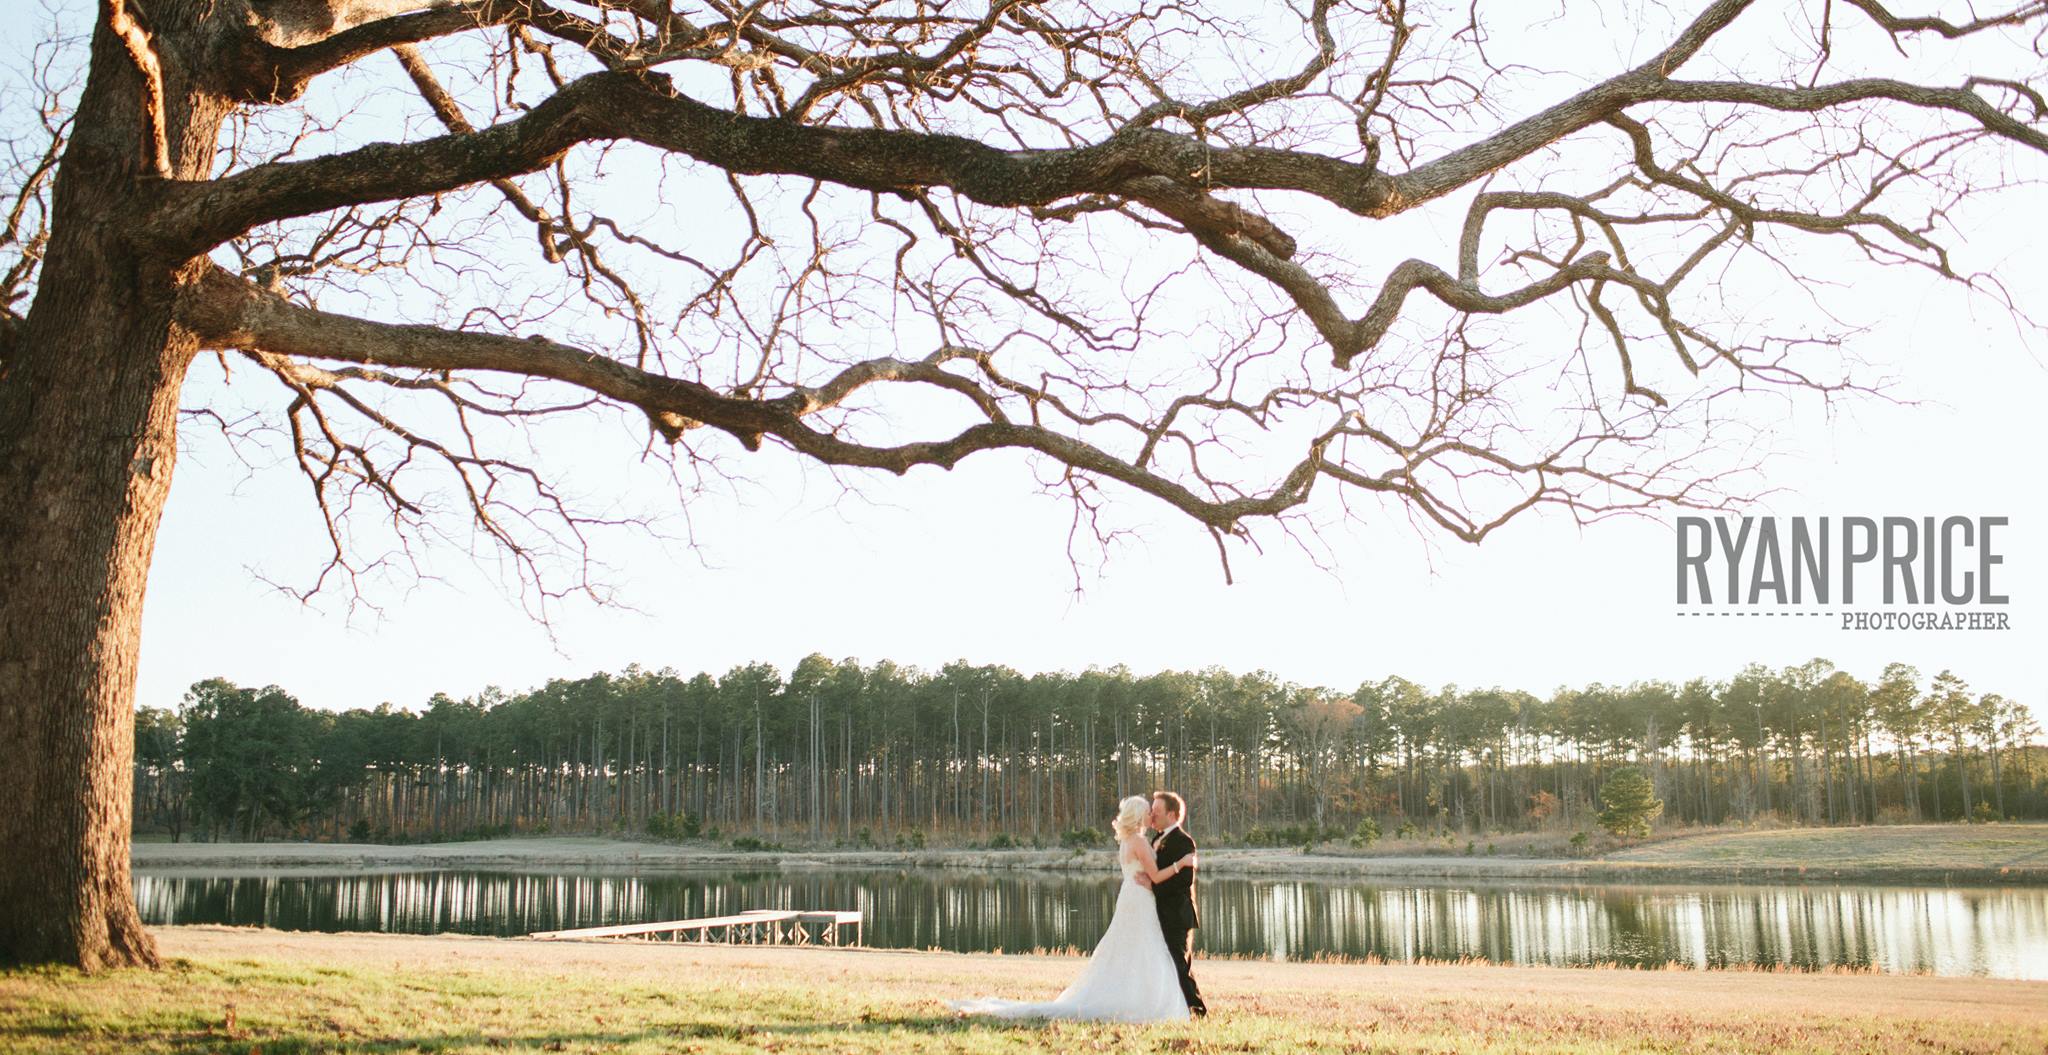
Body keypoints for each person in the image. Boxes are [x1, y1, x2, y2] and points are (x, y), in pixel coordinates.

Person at [946, 794, 1196, 1023]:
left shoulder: (1130, 841)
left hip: (1133, 897)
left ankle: (1146, 995)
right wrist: (1180, 864)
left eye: (1153, 811)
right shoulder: (1140, 842)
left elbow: (1146, 875)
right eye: (1147, 811)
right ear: (1138, 816)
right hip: (1139, 899)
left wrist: (1153, 880)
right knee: (1142, 948)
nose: (1151, 815)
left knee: (1134, 948)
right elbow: (1154, 874)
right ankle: (1149, 1000)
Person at [1145, 790, 1206, 1016]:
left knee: (1179, 964)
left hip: (1177, 914)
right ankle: (1174, 1009)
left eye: (1156, 811)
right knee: (1165, 964)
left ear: (1171, 814)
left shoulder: (1184, 841)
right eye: (1152, 811)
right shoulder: (1155, 839)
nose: (1152, 815)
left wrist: (1153, 885)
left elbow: (1184, 881)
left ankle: (1197, 1009)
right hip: (1158, 913)